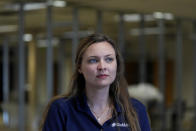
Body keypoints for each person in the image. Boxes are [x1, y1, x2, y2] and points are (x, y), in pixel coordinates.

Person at [41, 33, 151, 131]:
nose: (102, 67)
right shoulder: (61, 110)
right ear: (80, 67)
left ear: (116, 65)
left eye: (109, 59)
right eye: (93, 60)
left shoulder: (136, 109)